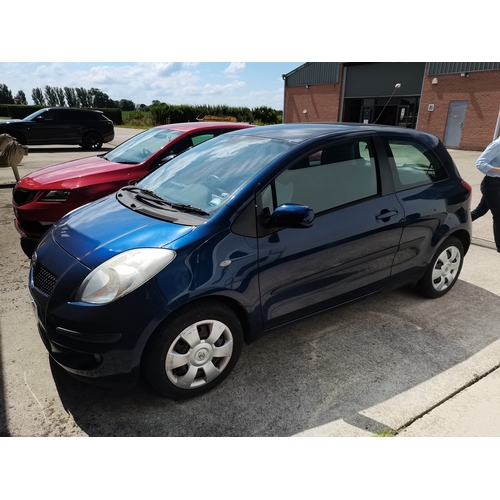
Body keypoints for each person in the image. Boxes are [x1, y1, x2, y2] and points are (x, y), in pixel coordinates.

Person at [471, 135, 500, 252]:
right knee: (499, 215)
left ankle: (454, 225)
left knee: (480, 211)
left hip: (497, 184)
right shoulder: (497, 144)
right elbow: (480, 163)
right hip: (492, 184)